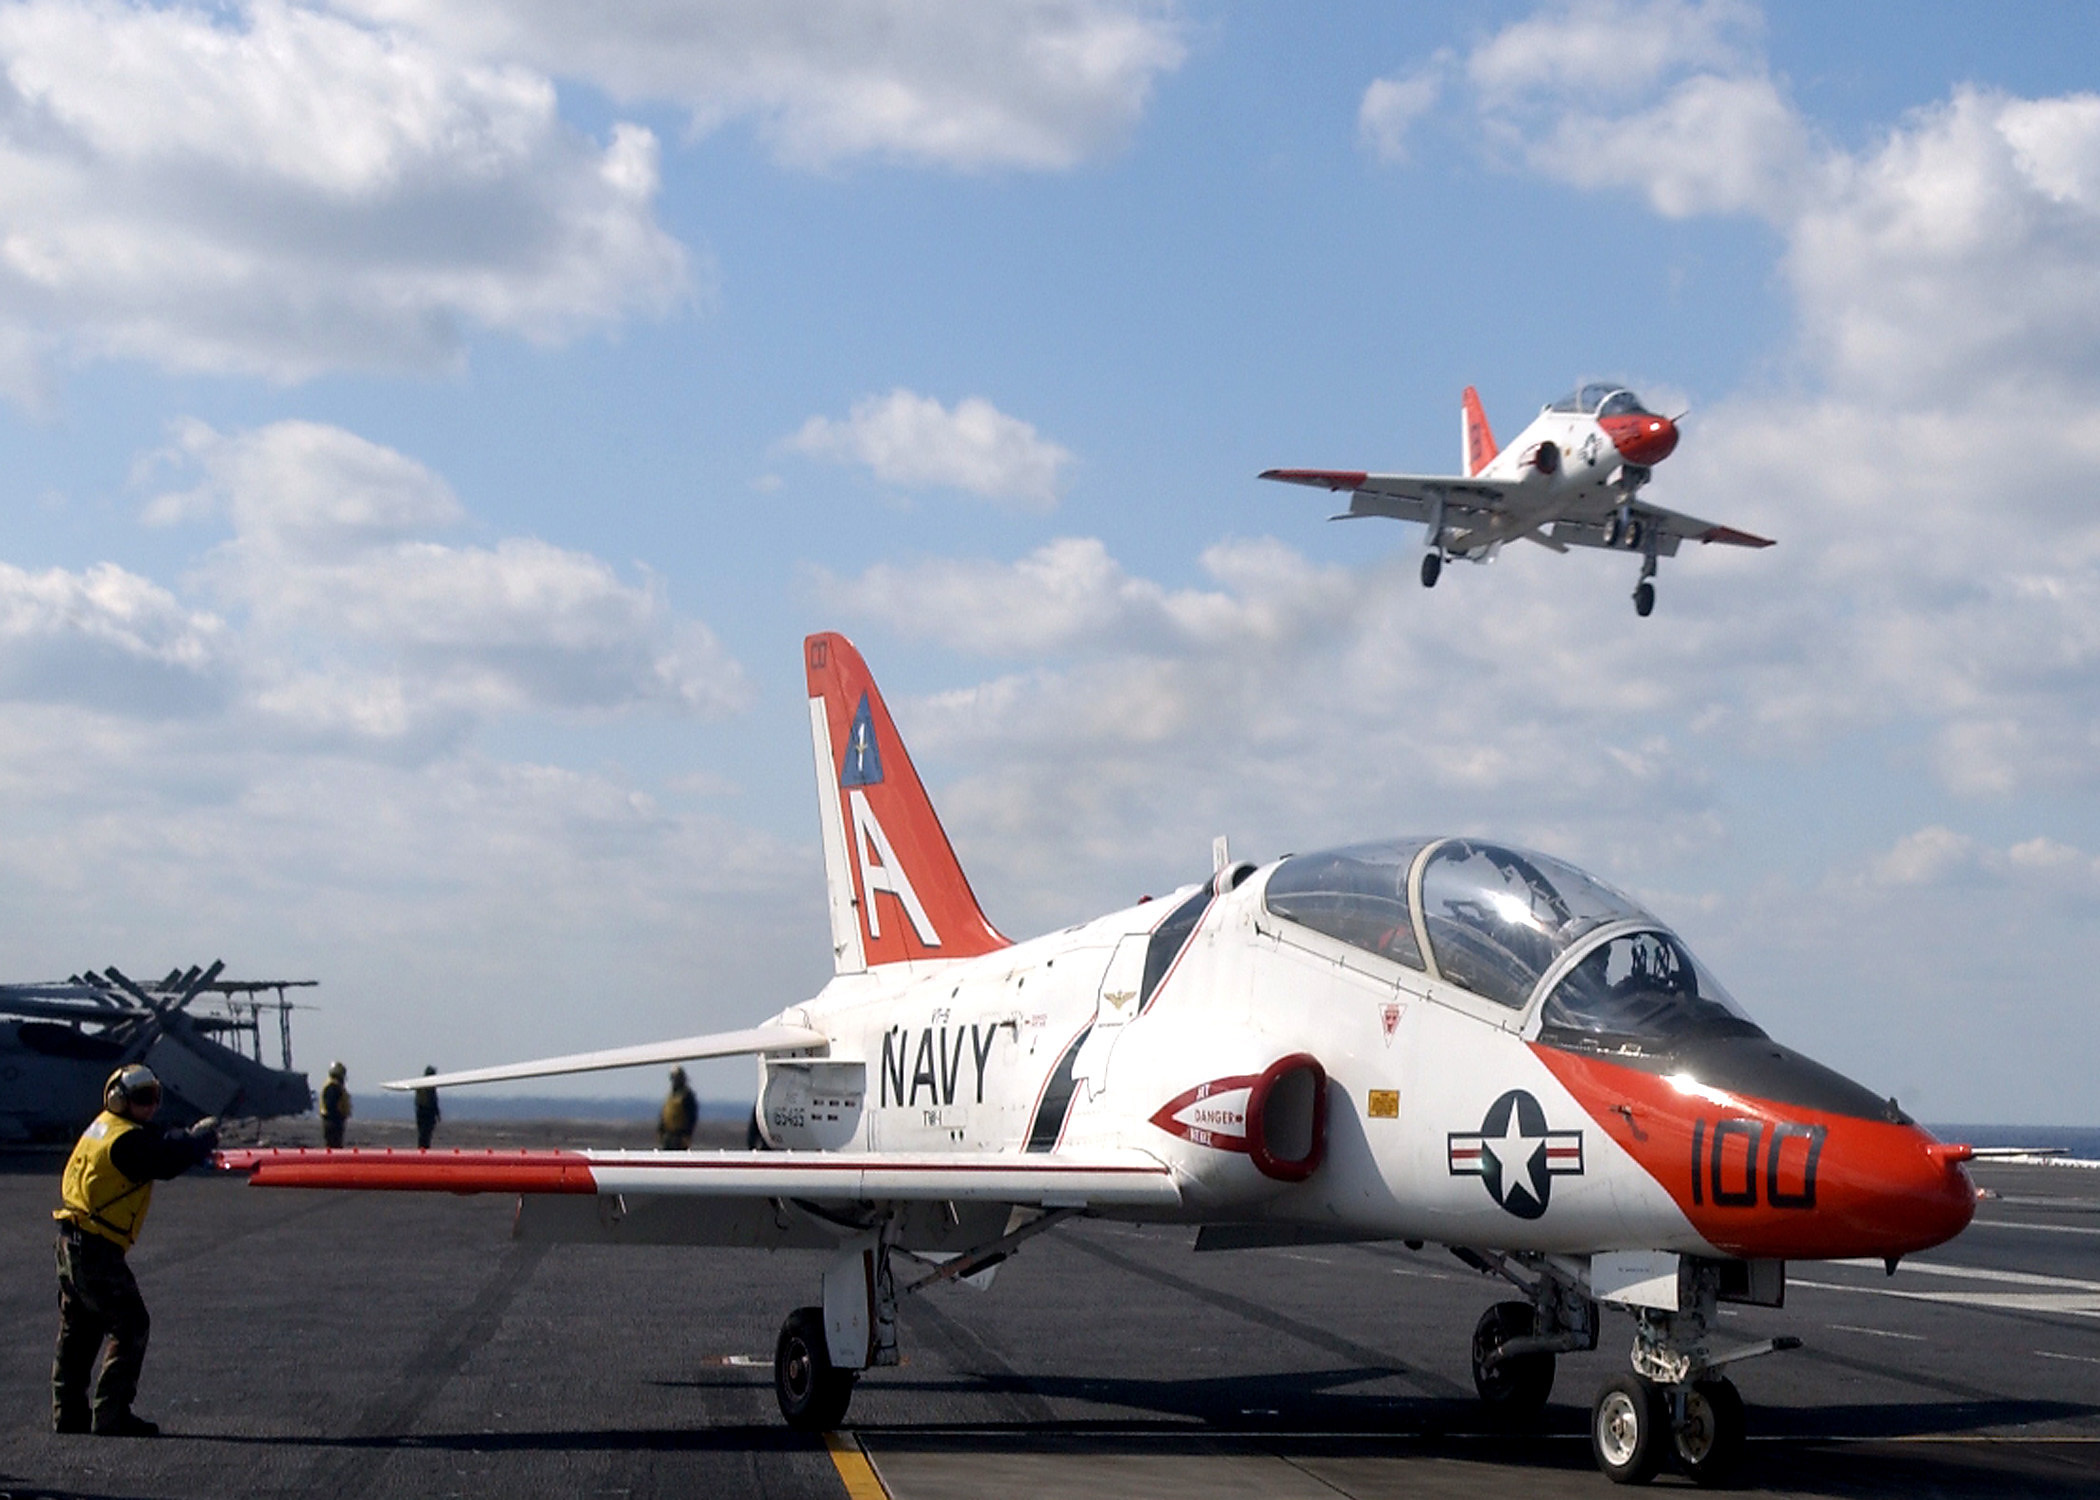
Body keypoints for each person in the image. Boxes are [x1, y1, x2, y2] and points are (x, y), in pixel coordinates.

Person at [52, 1064, 218, 1437]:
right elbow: (165, 1160)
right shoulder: (127, 1141)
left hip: (71, 1241)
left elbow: (155, 1140)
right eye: (144, 1098)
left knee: (79, 1327)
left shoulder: (105, 1128)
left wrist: (184, 1136)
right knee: (131, 1325)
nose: (152, 1106)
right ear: (119, 1098)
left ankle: (68, 1414)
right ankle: (111, 1414)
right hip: (95, 1248)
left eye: (155, 1097)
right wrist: (200, 1141)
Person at [658, 1066, 697, 1151]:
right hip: (668, 1135)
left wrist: (687, 1135)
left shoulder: (687, 1096)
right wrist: (661, 1130)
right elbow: (664, 1113)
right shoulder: (670, 1095)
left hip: (680, 1136)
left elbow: (692, 1117)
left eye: (676, 1077)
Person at [320, 1061, 351, 1148]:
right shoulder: (333, 1086)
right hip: (333, 1122)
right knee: (334, 1145)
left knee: (334, 1145)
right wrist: (338, 1117)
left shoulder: (334, 1085)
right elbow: (330, 1106)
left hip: (333, 1121)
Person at [413, 1065, 441, 1150]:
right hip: (428, 1112)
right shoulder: (429, 1085)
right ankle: (424, 1148)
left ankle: (421, 1148)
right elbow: (433, 1100)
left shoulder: (420, 1084)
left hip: (420, 1111)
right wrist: (437, 1113)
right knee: (426, 1132)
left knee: (422, 1132)